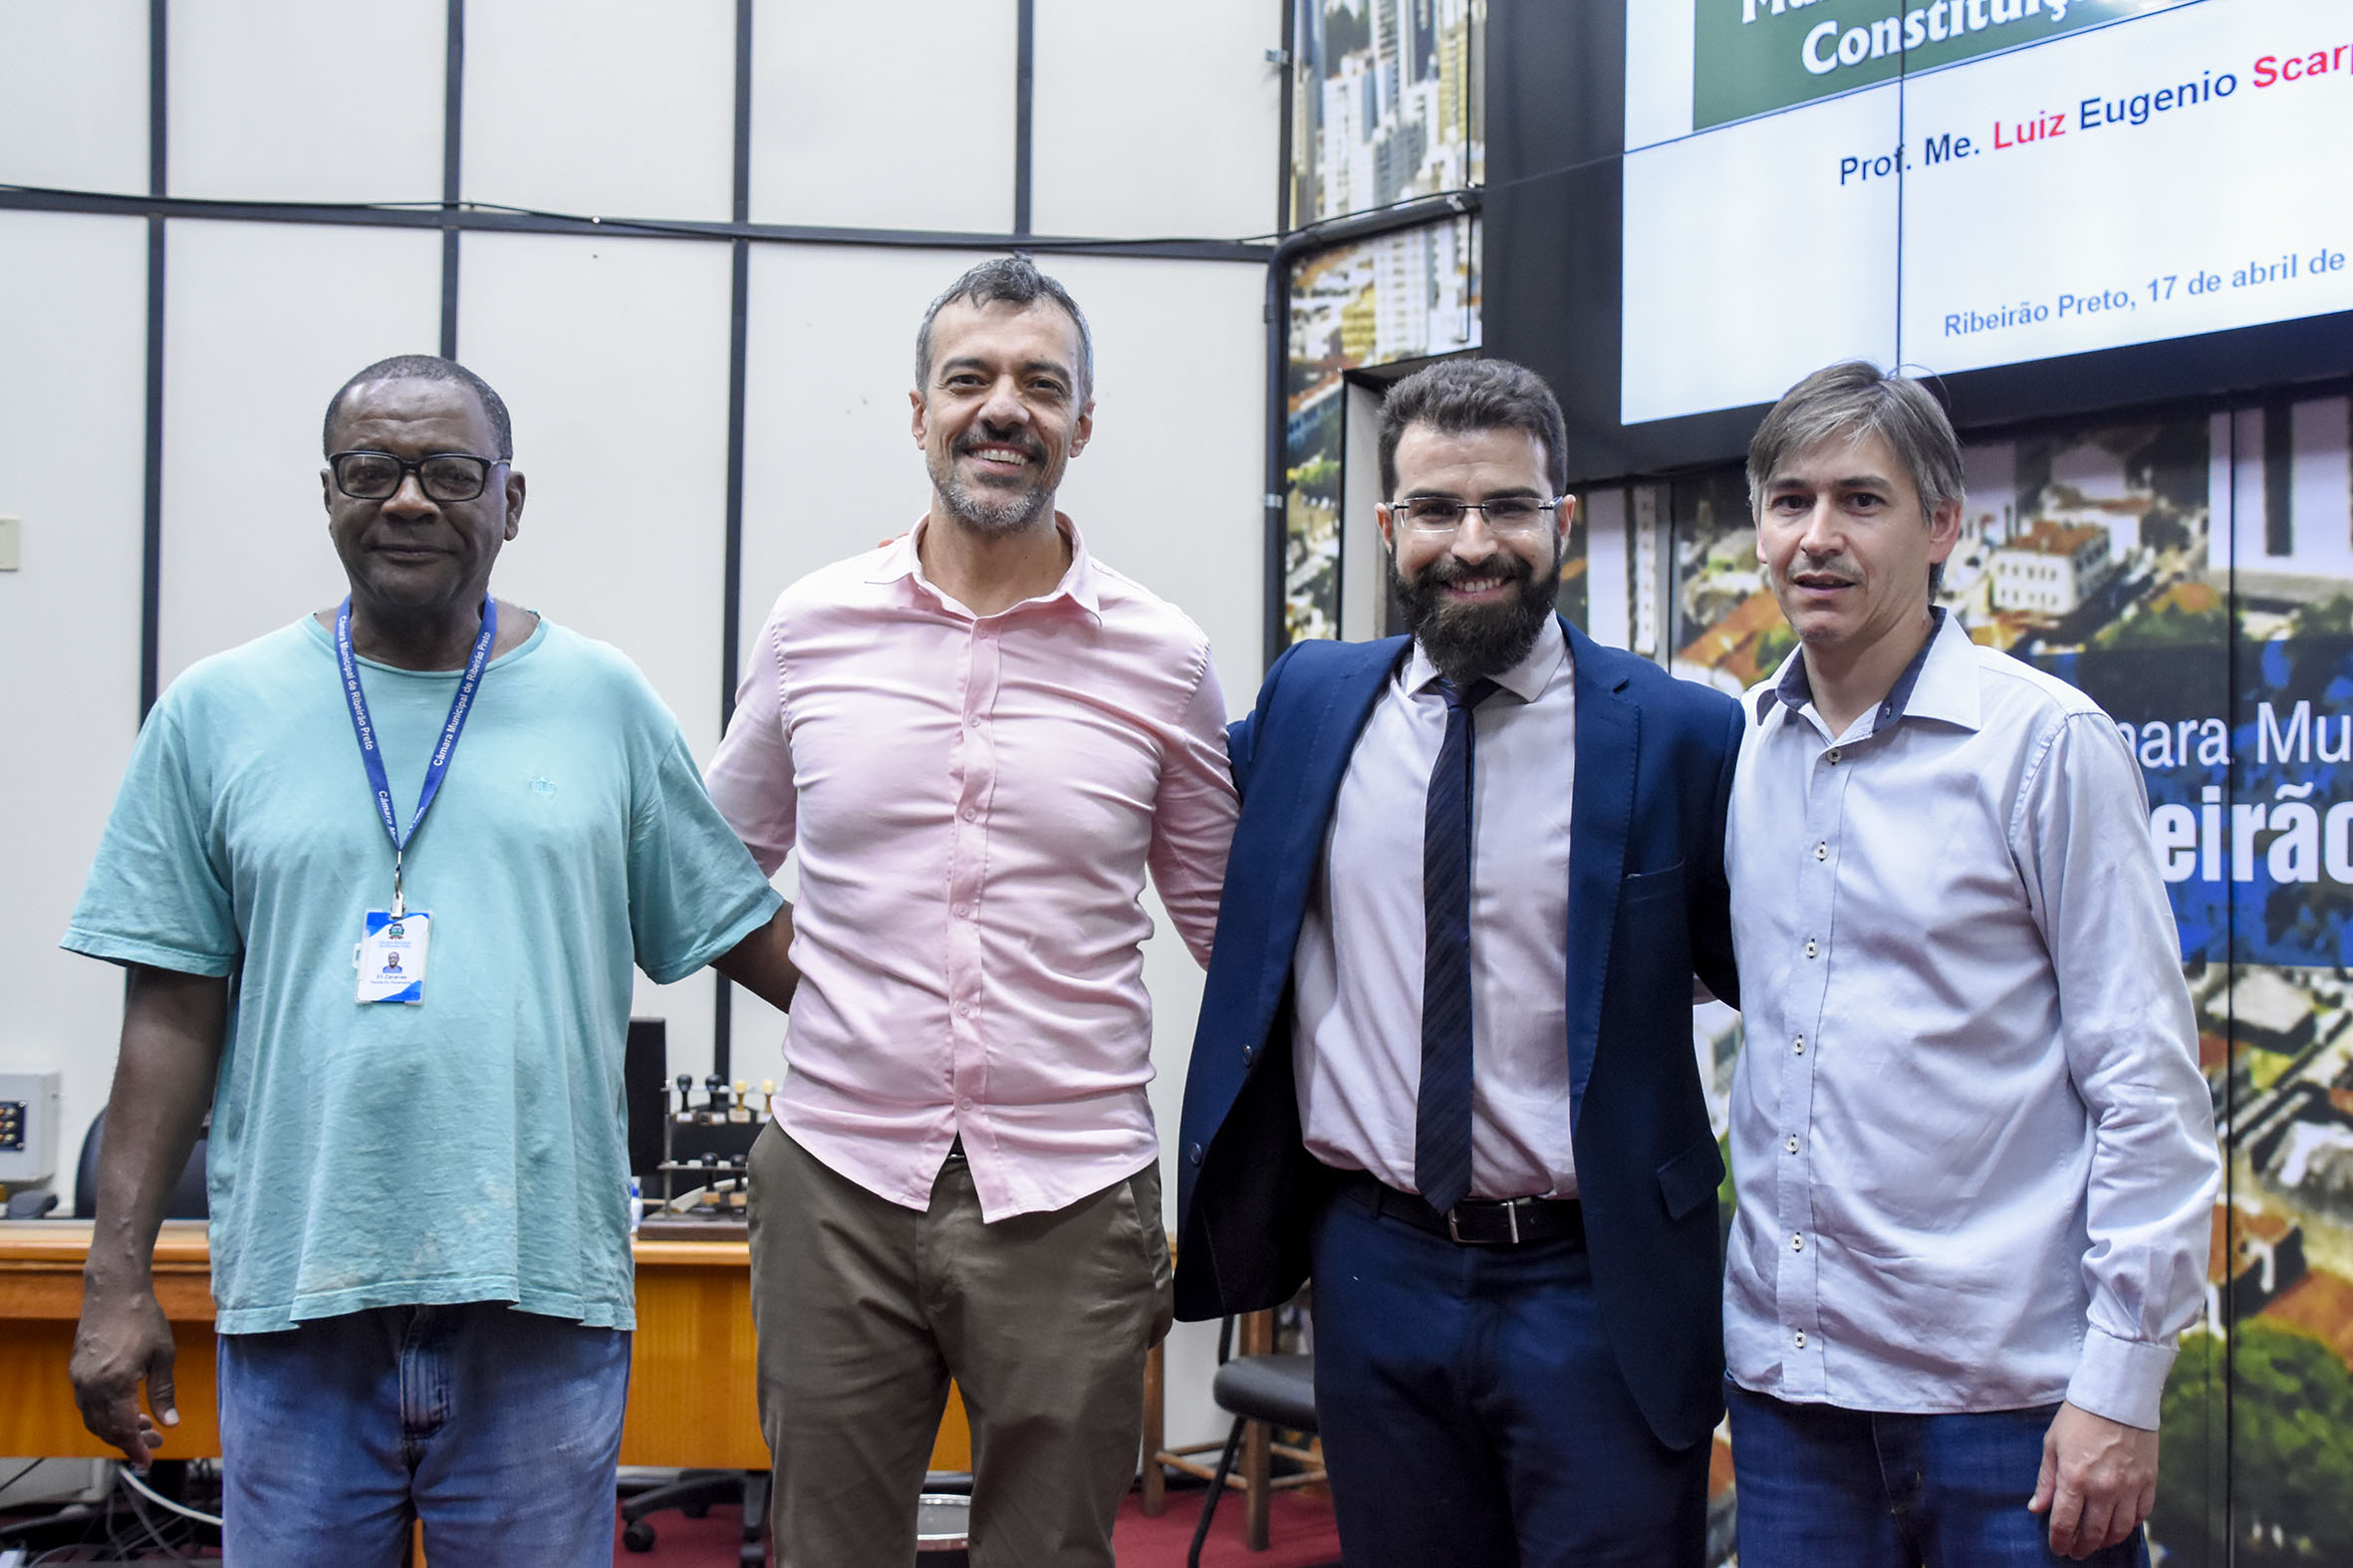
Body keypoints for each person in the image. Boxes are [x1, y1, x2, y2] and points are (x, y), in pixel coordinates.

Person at [63, 354, 801, 1567]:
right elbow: (170, 1008)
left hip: (539, 1306)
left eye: (449, 471)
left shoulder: (600, 700)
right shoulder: (216, 711)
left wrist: (946, 1007)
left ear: (510, 501)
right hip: (301, 1305)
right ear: (329, 492)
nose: (408, 498)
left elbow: (740, 934)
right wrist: (115, 1276)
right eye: (372, 468)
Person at [703, 255, 1237, 1567]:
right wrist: (822, 991)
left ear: (1082, 426)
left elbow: (1233, 928)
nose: (1004, 408)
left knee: (1050, 1554)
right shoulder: (813, 623)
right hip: (835, 1176)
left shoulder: (1162, 657)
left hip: (1072, 1194)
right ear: (918, 409)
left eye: (1039, 385)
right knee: (826, 1548)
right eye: (971, 379)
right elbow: (710, 871)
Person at [1174, 357, 1742, 1566]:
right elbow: (1134, 770)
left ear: (1562, 521)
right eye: (1435, 509)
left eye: (1508, 508)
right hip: (1377, 1270)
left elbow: (1784, 973)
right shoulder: (1309, 704)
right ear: (1388, 527)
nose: (1471, 542)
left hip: (1601, 1285)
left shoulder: (1684, 734)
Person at [1722, 361, 2221, 1566]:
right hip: (1794, 1404)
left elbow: (2149, 1086)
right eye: (1789, 501)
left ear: (1943, 524)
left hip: (2017, 1414)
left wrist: (2123, 1382)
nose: (1818, 537)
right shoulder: (1742, 746)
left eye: (1861, 499)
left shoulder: (2045, 745)